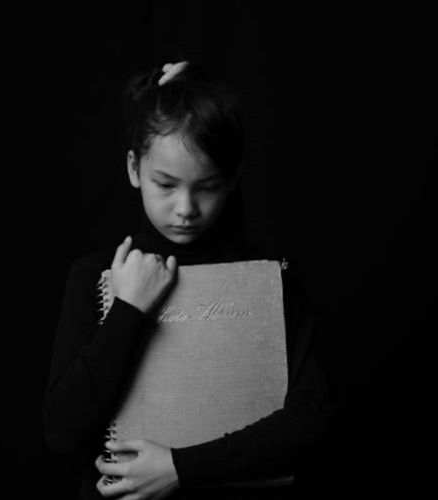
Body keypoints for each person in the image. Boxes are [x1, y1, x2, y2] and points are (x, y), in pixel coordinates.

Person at [43, 61, 334, 499]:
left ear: (231, 180)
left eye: (208, 186)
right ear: (134, 169)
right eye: (165, 184)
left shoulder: (269, 276)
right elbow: (62, 433)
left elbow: (312, 421)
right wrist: (127, 311)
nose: (185, 208)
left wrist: (180, 468)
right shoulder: (96, 275)